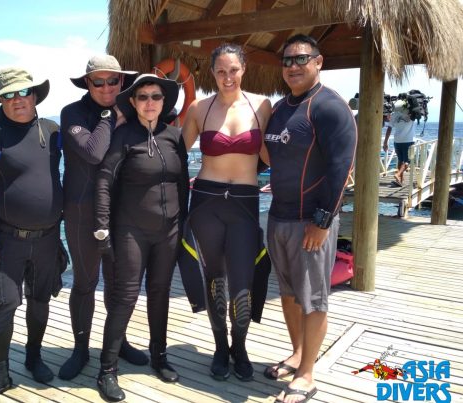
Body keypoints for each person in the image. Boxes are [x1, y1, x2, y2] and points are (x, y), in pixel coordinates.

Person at [263, 34, 357, 403]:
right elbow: (269, 157)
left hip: (310, 222)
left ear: (318, 62)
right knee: (288, 292)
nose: (293, 66)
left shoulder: (330, 107)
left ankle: (307, 374)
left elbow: (340, 168)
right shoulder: (280, 108)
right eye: (287, 60)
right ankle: (297, 353)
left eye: (301, 59)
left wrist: (322, 221)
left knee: (314, 298)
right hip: (278, 216)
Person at [0, 68, 65, 403]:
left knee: (40, 301)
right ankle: (0, 375)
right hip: (5, 239)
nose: (17, 100)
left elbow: (81, 164)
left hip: (49, 237)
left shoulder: (52, 131)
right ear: (0, 100)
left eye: (23, 92)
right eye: (8, 94)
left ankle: (33, 357)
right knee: (3, 306)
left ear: (35, 95)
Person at [94, 73, 188, 402]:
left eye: (156, 97)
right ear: (133, 102)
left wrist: (183, 223)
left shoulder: (174, 136)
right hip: (131, 230)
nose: (150, 102)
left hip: (169, 231)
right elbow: (104, 180)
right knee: (126, 296)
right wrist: (102, 226)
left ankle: (159, 357)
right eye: (143, 97)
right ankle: (107, 370)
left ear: (164, 102)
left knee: (160, 293)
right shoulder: (123, 136)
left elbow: (182, 183)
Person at [181, 43, 272, 382]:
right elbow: (173, 152)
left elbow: (278, 152)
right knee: (214, 279)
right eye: (220, 71)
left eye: (233, 70)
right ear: (212, 73)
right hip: (206, 201)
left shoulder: (262, 105)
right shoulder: (199, 108)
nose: (227, 77)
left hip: (244, 202)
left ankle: (240, 347)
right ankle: (220, 347)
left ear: (243, 69)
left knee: (242, 280)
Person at [59, 55, 148, 380]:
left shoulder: (130, 110)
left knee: (118, 284)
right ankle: (80, 349)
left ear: (122, 81)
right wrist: (112, 116)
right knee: (85, 283)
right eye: (99, 81)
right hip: (82, 212)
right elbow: (94, 152)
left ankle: (118, 342)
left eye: (114, 81)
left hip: (121, 211)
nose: (107, 87)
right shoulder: (73, 113)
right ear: (88, 83)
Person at [383, 99, 415, 187]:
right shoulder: (411, 114)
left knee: (400, 160)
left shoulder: (394, 115)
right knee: (407, 161)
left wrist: (385, 142)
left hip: (397, 141)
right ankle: (398, 174)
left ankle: (400, 181)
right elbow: (420, 114)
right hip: (408, 141)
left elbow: (389, 128)